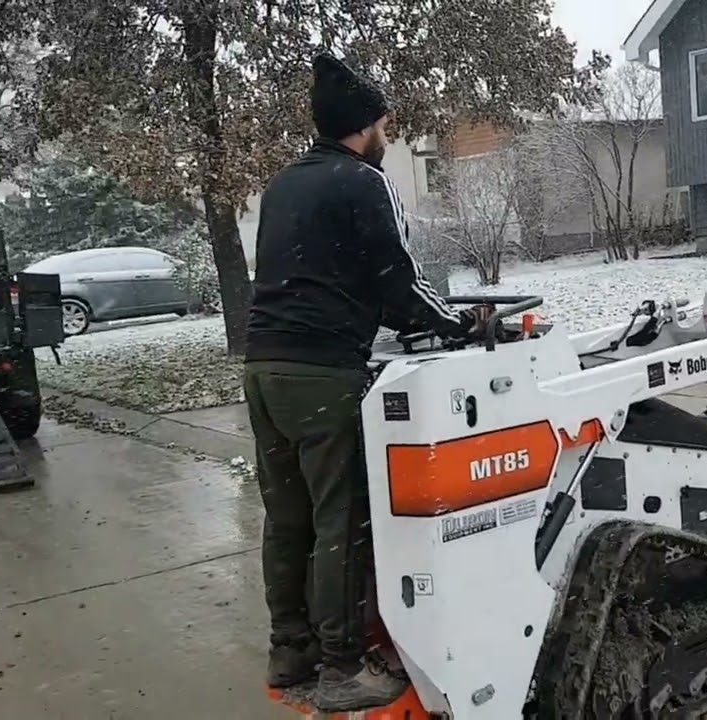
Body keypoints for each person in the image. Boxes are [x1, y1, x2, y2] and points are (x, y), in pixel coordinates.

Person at [243, 52, 486, 713]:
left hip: (263, 369)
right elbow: (396, 281)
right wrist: (461, 327)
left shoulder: (284, 184)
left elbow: (319, 275)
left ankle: (290, 652)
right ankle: (344, 665)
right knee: (341, 522)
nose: (389, 134)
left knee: (286, 519)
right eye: (385, 123)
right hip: (322, 375)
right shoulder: (361, 180)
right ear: (364, 126)